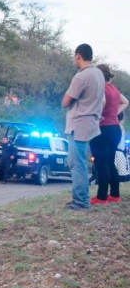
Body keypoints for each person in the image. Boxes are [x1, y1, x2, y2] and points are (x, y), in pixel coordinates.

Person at [62, 44, 105, 210]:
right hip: (91, 122)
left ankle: (81, 201)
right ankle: (80, 199)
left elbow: (66, 101)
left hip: (78, 123)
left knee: (76, 163)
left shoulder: (82, 76)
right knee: (79, 161)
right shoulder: (99, 74)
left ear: (78, 55)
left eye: (74, 57)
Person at [88, 64, 128, 205]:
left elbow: (102, 101)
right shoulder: (113, 89)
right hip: (114, 129)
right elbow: (125, 102)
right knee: (110, 162)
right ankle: (115, 195)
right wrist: (113, 113)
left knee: (101, 163)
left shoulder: (101, 88)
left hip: (102, 129)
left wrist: (97, 115)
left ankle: (101, 197)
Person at [115, 112, 129, 183]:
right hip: (121, 153)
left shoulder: (117, 126)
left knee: (119, 172)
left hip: (117, 154)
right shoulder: (120, 126)